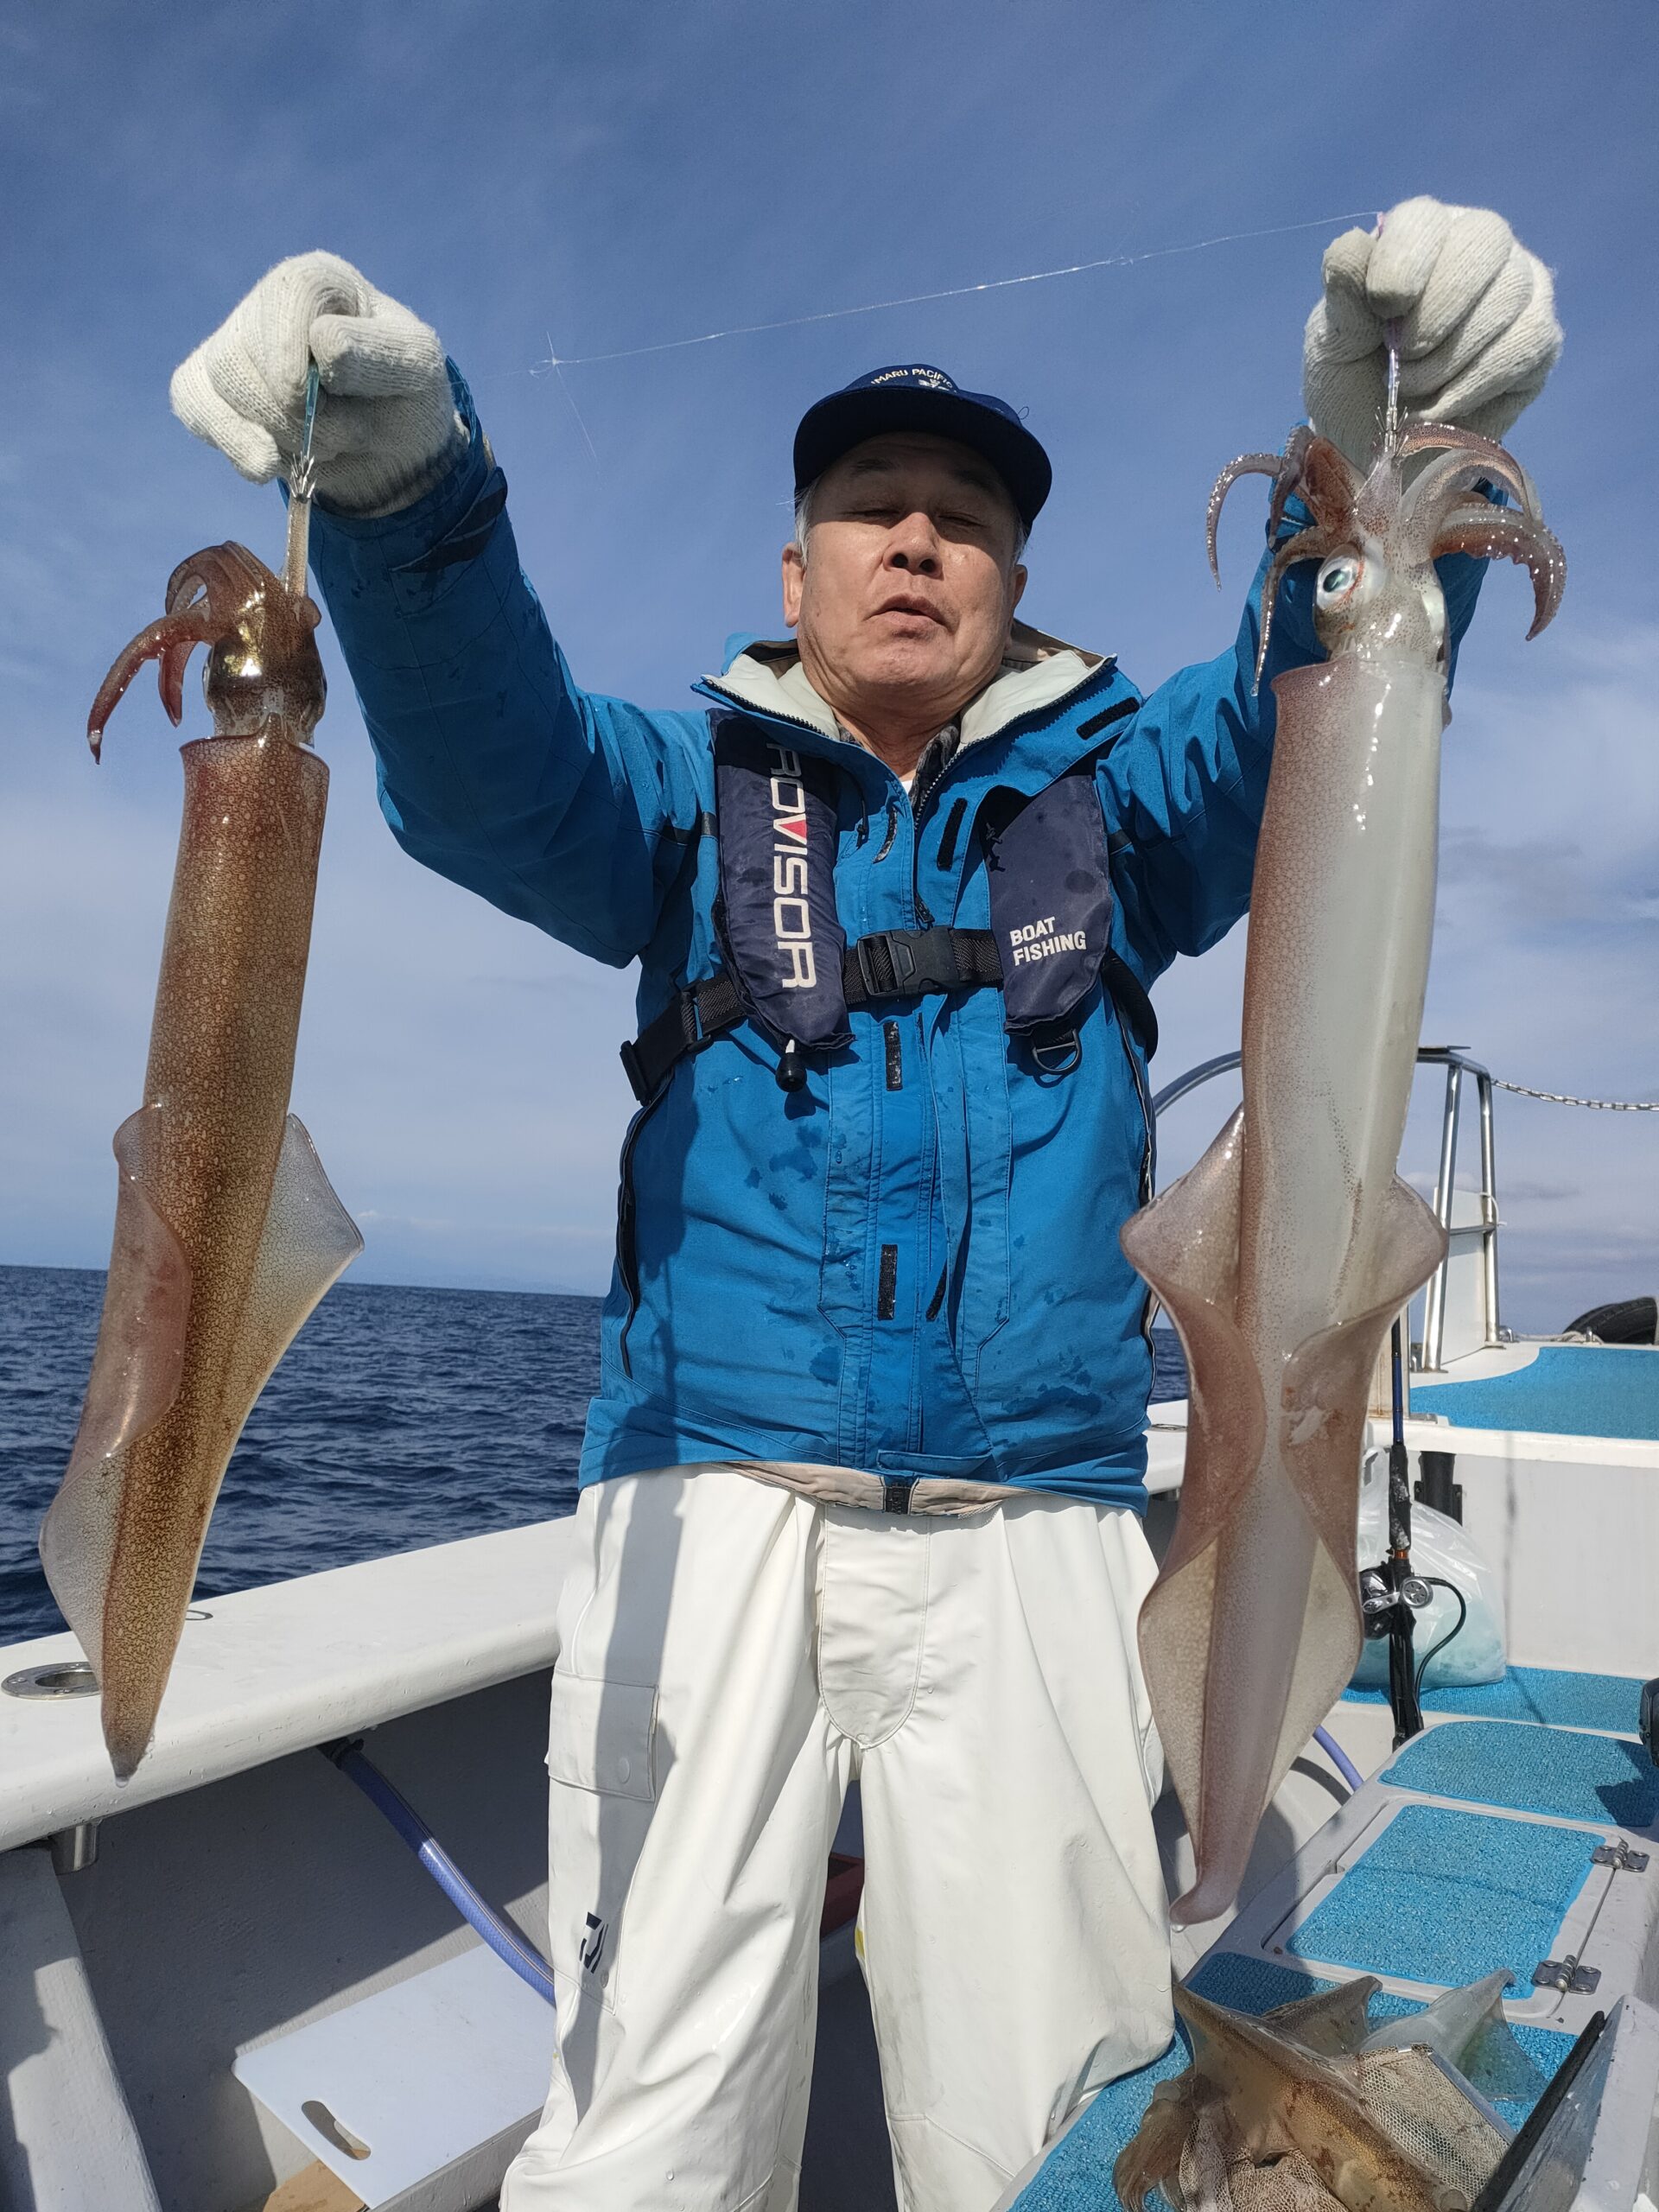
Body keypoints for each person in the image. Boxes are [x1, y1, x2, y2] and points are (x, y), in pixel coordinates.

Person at [172, 197, 1560, 2211]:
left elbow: (1316, 712)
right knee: (651, 2138)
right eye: (872, 502)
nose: (917, 537)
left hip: (1038, 1527)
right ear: (796, 565)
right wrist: (407, 504)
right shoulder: (677, 799)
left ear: (1014, 580)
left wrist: (1359, 481)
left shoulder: (1124, 796)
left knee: (1051, 2126)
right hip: (710, 1500)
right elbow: (488, 769)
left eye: (964, 515)